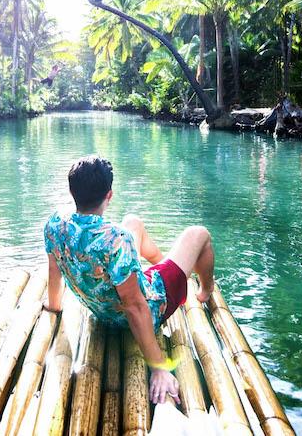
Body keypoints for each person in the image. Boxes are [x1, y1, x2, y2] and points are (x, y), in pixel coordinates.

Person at [42, 155, 216, 405]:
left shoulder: (54, 225)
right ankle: (206, 291)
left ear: (72, 191)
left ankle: (167, 264)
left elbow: (53, 268)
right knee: (199, 234)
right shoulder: (115, 240)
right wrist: (158, 367)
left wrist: (54, 305)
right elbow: (135, 307)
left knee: (133, 222)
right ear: (109, 195)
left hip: (102, 308)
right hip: (149, 306)